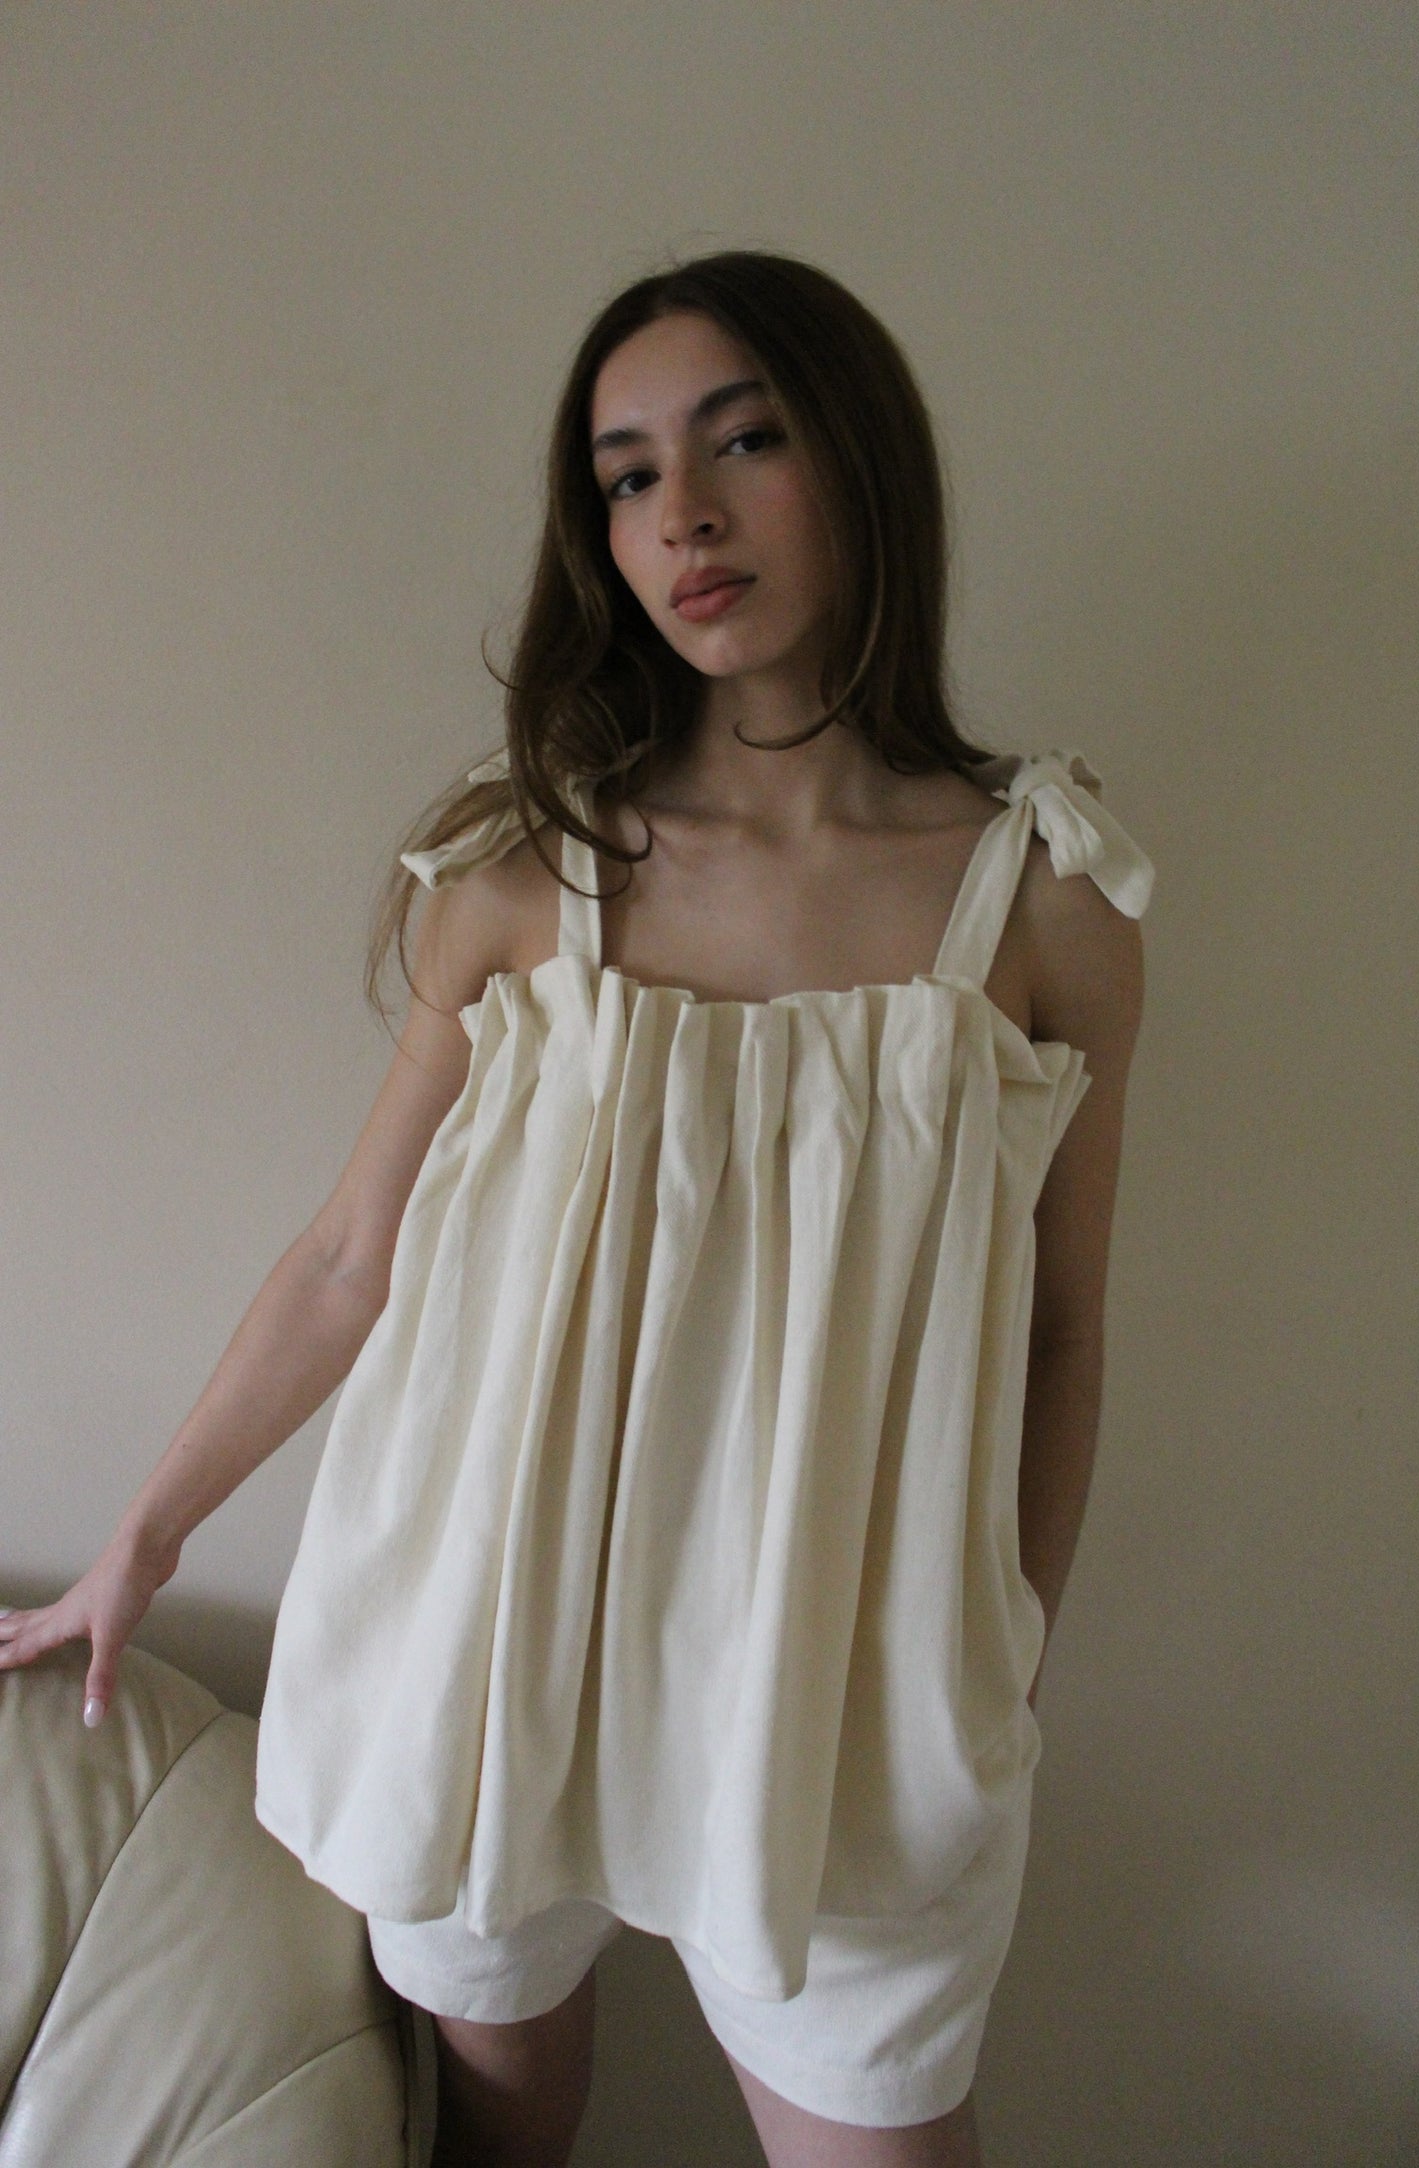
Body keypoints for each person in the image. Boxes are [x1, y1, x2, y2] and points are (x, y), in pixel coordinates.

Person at [0, 250, 1151, 2167]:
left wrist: (998, 1652)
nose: (679, 514)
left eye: (741, 441)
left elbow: (1060, 1326)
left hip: (848, 1701)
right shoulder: (526, 864)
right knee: (500, 2129)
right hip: (487, 1645)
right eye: (624, 476)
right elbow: (351, 1257)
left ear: (858, 457)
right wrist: (140, 1537)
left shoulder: (1044, 901)